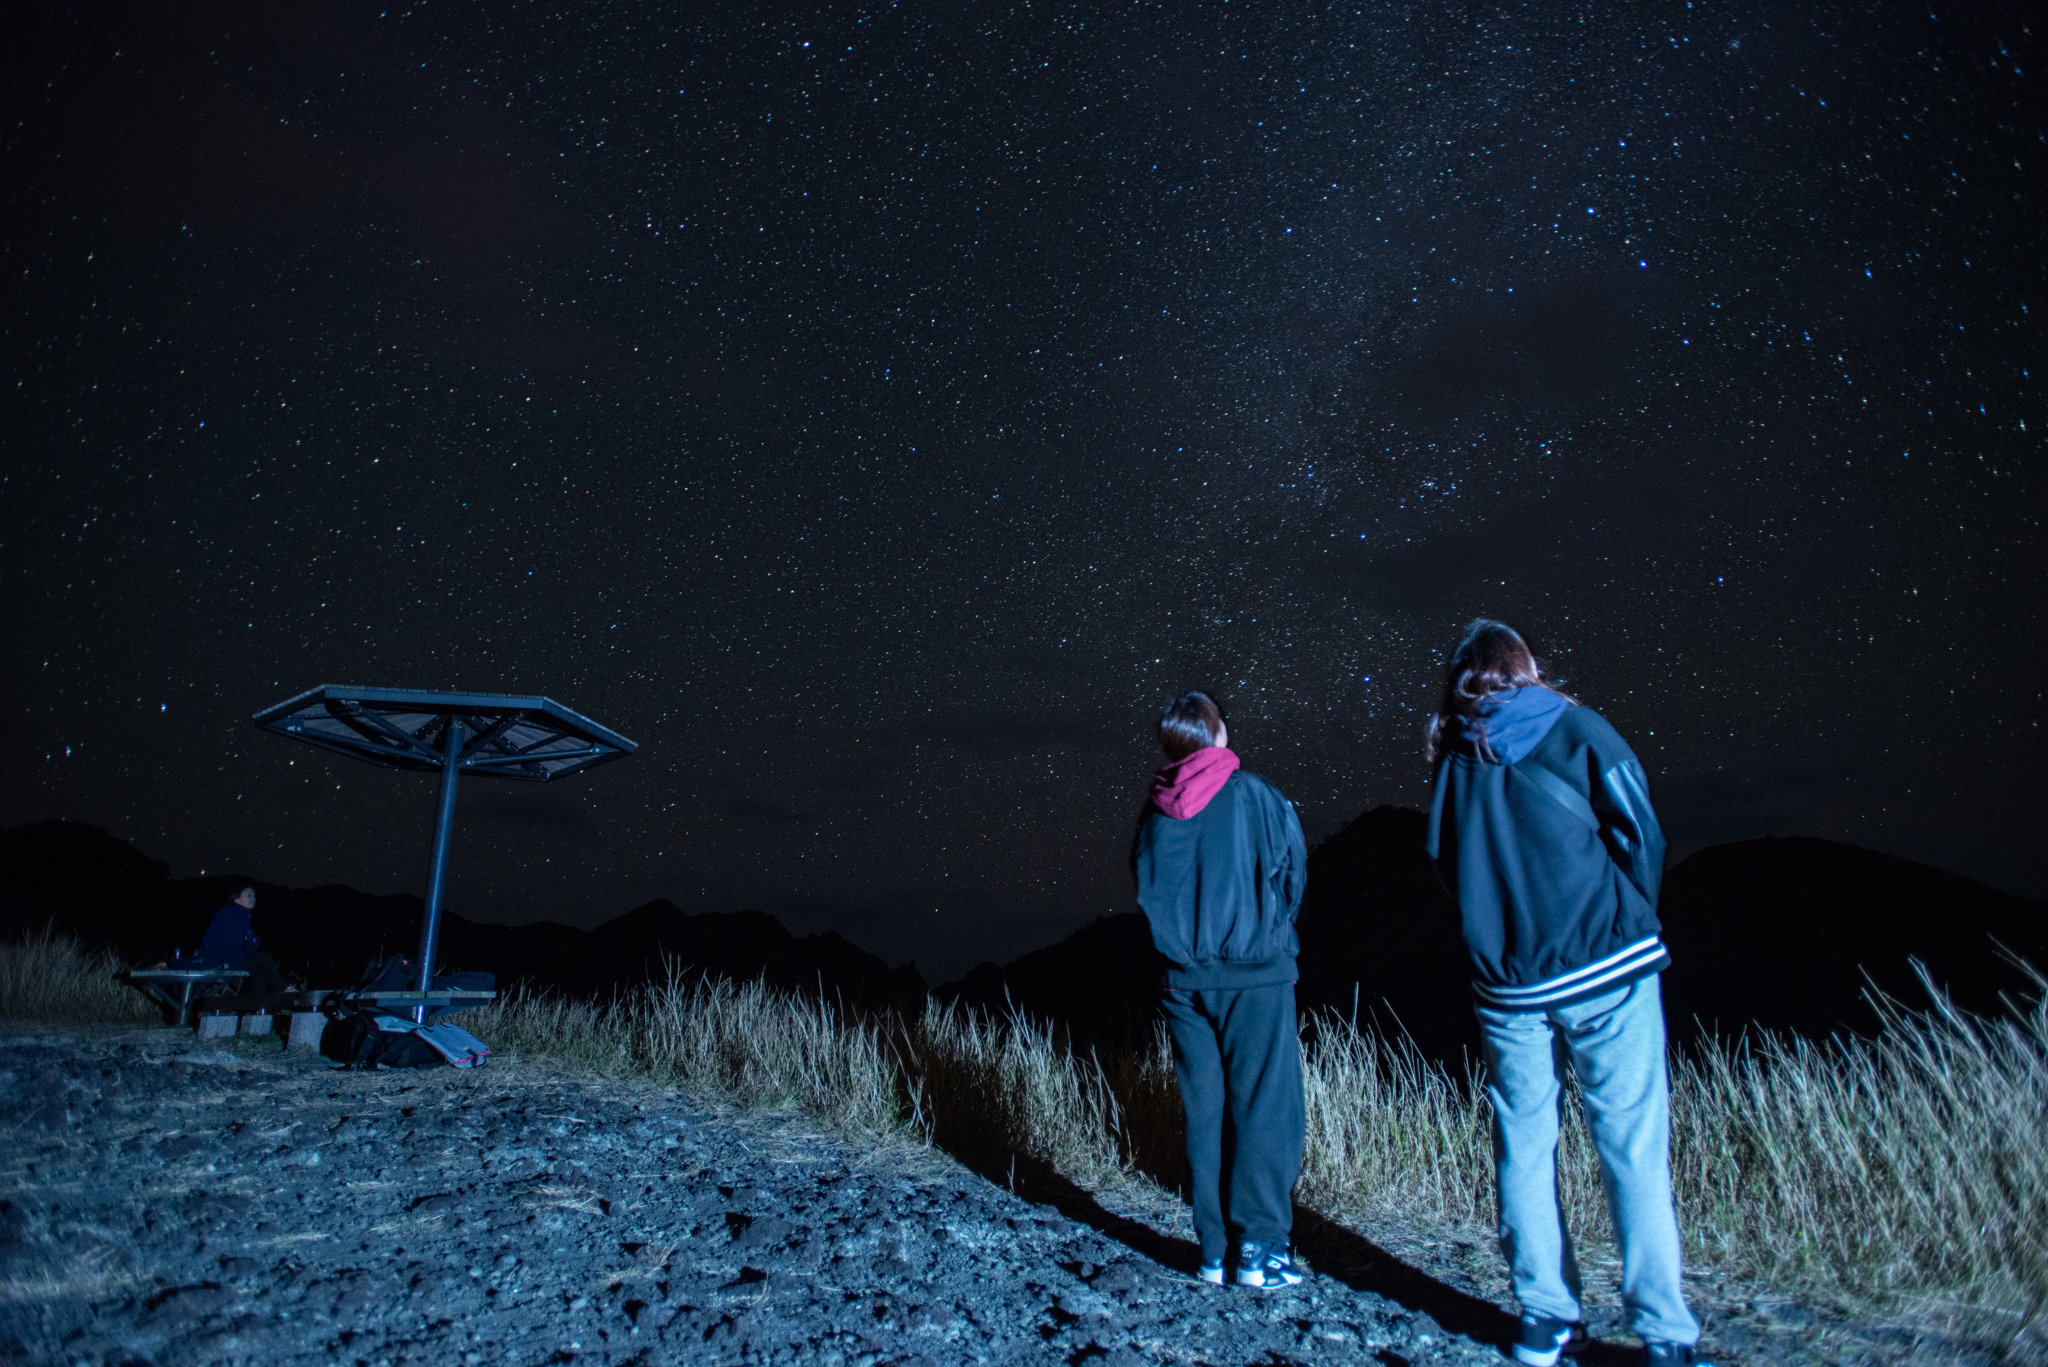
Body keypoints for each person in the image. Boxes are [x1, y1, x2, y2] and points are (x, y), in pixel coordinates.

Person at [1424, 620, 1709, 1367]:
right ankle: (1663, 1333)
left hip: (1509, 983)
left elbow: (1444, 860)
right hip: (1607, 966)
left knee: (1522, 1144)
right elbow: (1639, 830)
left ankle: (1545, 1320)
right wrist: (1626, 915)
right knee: (1632, 1146)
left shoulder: (1453, 758)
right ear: (1526, 666)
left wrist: (1494, 930)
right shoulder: (1578, 727)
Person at [1131, 690, 1308, 1289]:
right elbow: (1293, 876)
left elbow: (1146, 886)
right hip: (1254, 973)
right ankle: (1259, 1250)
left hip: (1182, 982)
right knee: (1264, 1106)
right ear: (1217, 734)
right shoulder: (1255, 795)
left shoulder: (1154, 811)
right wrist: (1268, 933)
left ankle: (1213, 1251)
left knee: (1205, 1111)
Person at [197, 885, 290, 994]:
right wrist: (248, 942)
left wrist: (249, 941)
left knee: (261, 969)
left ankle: (254, 1004)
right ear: (236, 899)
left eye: (254, 896)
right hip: (218, 959)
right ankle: (283, 989)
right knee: (265, 958)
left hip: (230, 957)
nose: (253, 899)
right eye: (248, 896)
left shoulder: (243, 915)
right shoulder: (231, 914)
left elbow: (252, 943)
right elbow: (233, 942)